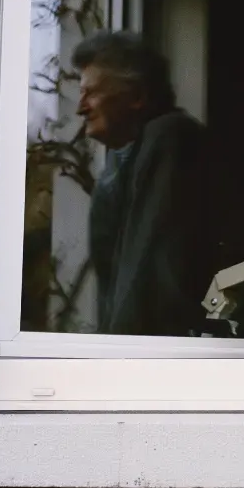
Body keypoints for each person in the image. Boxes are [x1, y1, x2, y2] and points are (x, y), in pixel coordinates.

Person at [73, 32, 212, 337]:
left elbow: (148, 268)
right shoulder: (119, 159)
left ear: (136, 97)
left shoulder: (169, 139)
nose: (80, 108)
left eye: (90, 93)